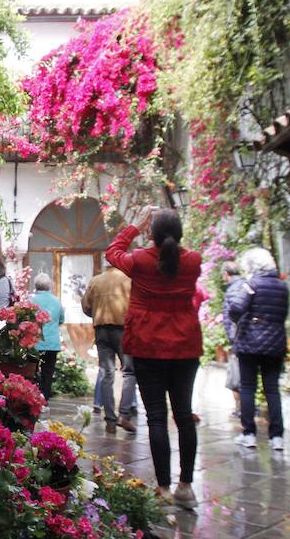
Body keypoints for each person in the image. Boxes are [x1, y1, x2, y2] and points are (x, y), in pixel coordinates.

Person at [106, 206, 202, 510]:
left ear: (152, 233)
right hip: (185, 345)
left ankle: (163, 489)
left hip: (148, 345)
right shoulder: (193, 262)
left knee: (157, 417)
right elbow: (176, 260)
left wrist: (134, 225)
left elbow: (113, 252)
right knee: (184, 415)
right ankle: (186, 486)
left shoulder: (141, 262)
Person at [227, 247, 289, 451]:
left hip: (250, 343)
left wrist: (242, 322)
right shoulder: (282, 286)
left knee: (247, 387)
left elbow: (235, 309)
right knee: (272, 389)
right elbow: (283, 313)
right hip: (275, 343)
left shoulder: (250, 285)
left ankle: (249, 434)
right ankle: (277, 437)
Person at [82, 265, 137, 434]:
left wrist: (97, 313)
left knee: (107, 374)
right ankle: (124, 415)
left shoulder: (96, 281)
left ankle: (110, 421)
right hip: (123, 330)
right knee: (129, 372)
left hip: (101, 330)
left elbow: (86, 306)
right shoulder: (129, 280)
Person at [31, 273, 64, 400]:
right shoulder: (57, 301)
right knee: (48, 372)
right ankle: (45, 398)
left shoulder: (31, 300)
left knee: (32, 371)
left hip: (33, 342)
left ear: (36, 286)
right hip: (52, 343)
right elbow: (61, 319)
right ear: (49, 285)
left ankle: (33, 397)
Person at [221, 262, 245, 417]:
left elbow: (232, 315)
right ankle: (243, 408)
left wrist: (232, 336)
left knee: (237, 375)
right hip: (247, 336)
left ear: (226, 273)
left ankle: (241, 409)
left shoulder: (233, 289)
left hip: (239, 338)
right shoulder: (245, 285)